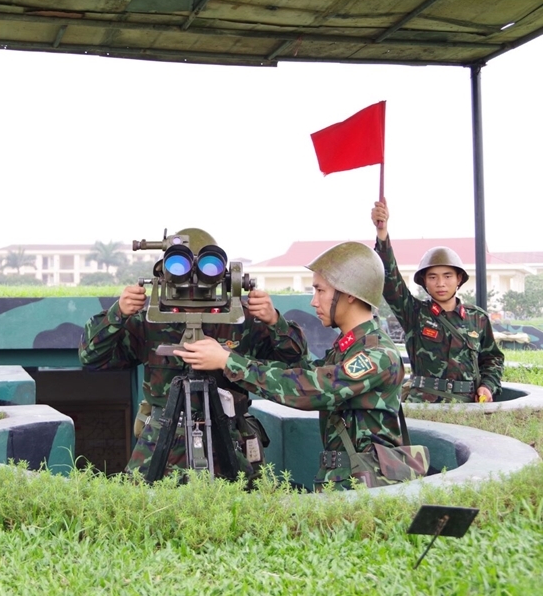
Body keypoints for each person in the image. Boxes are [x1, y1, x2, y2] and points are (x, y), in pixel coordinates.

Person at [78, 228, 308, 485]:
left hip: (230, 440)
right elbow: (92, 357)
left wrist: (274, 321)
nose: (194, 283)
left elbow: (296, 359)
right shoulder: (149, 322)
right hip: (162, 441)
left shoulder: (243, 320)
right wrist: (117, 313)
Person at [175, 242, 407, 491]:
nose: (313, 301)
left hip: (367, 484)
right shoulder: (349, 347)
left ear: (349, 293)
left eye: (320, 290)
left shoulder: (377, 354)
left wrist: (227, 361)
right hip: (349, 477)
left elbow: (315, 388)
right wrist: (274, 323)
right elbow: (305, 371)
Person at [371, 201, 504, 403]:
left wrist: (487, 386)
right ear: (424, 281)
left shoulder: (478, 319)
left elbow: (492, 359)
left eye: (447, 276)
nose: (440, 283)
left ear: (459, 279)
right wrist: (382, 233)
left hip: (467, 404)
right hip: (423, 404)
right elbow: (390, 282)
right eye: (432, 277)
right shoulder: (414, 313)